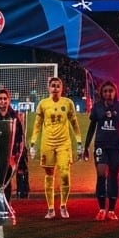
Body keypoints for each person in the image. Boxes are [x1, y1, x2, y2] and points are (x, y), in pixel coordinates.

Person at [83, 79, 119, 220]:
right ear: (102, 93)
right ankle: (101, 209)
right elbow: (91, 128)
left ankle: (111, 210)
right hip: (101, 145)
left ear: (115, 92)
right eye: (105, 91)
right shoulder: (97, 108)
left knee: (113, 177)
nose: (108, 93)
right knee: (101, 175)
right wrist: (86, 146)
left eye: (110, 91)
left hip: (116, 146)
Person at [32, 75, 81, 219]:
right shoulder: (43, 104)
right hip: (47, 143)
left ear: (62, 88)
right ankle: (51, 208)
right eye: (52, 85)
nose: (55, 88)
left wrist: (78, 142)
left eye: (58, 86)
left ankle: (63, 205)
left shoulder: (68, 103)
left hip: (64, 144)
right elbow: (37, 125)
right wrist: (33, 143)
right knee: (49, 175)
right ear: (49, 88)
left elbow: (74, 123)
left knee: (65, 175)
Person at [0, 87, 27, 205]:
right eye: (0, 99)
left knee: (7, 180)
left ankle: (7, 205)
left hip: (10, 155)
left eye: (5, 98)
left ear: (9, 100)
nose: (3, 101)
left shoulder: (14, 117)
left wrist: (17, 154)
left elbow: (20, 136)